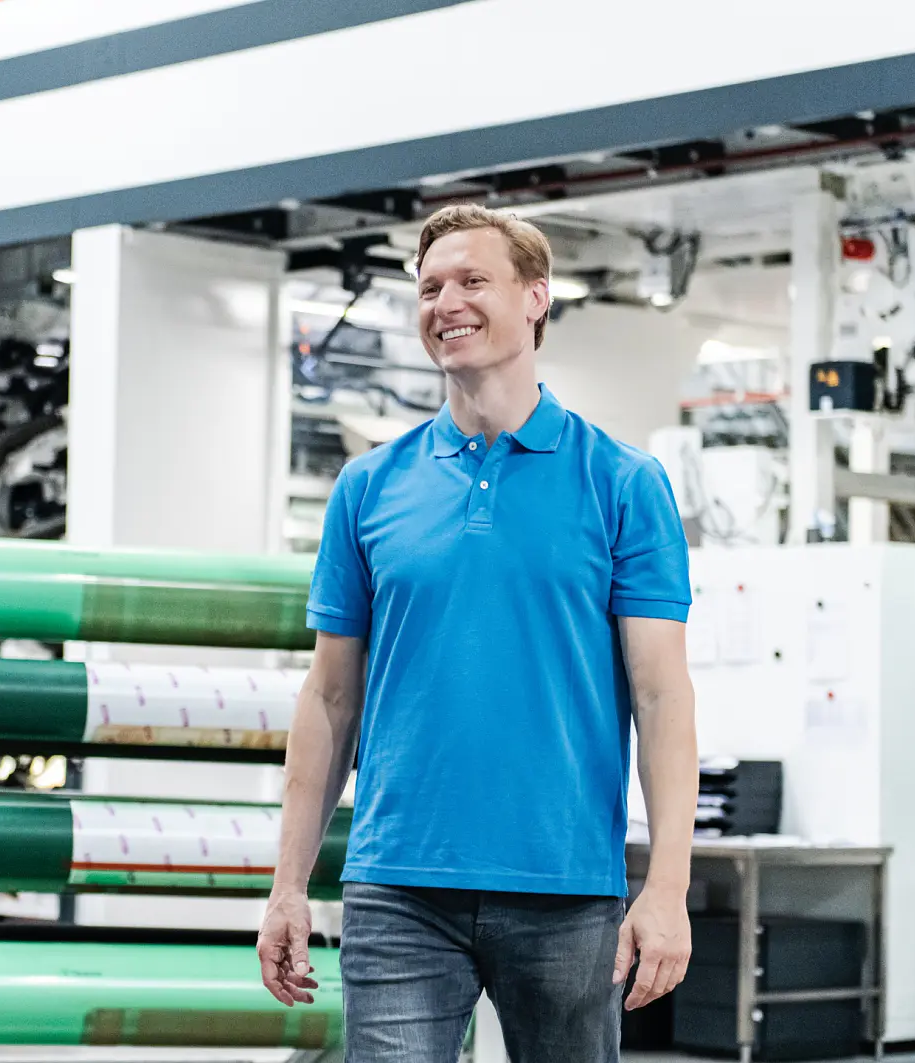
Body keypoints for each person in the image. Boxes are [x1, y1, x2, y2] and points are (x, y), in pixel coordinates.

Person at [257, 204, 699, 1062]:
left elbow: (661, 693)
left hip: (566, 887)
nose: (445, 302)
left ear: (536, 299)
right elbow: (330, 696)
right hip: (399, 883)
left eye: (471, 281)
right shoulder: (369, 487)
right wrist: (287, 882)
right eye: (428, 287)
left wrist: (669, 885)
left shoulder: (623, 483)